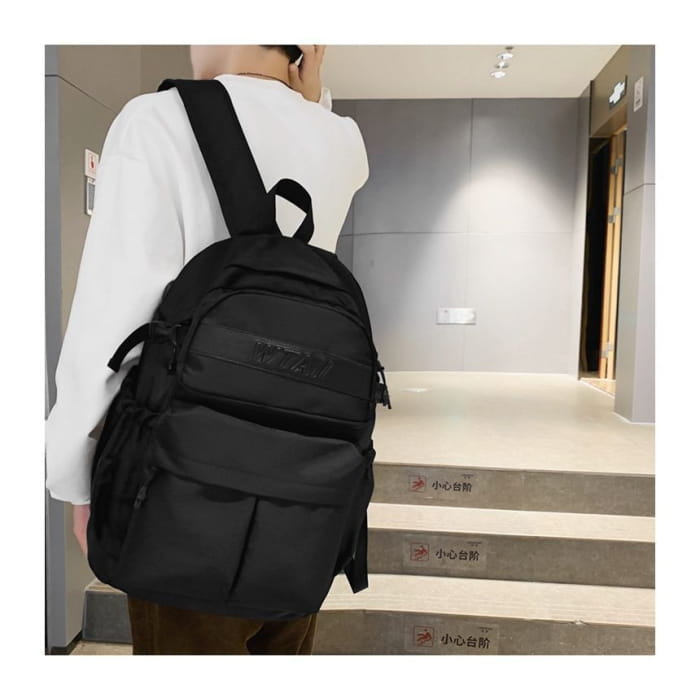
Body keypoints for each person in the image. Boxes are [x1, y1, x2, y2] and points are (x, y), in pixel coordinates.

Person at [44, 44, 370, 654]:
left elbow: (109, 322)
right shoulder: (342, 139)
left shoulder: (154, 121)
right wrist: (311, 98)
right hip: (308, 498)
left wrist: (75, 479)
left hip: (181, 490)